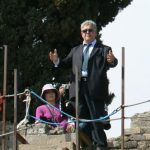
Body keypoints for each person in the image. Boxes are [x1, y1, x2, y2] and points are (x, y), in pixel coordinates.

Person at [49, 20, 118, 149]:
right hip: (78, 89)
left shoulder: (104, 49)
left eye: (90, 30)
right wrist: (56, 60)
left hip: (95, 88)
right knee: (80, 119)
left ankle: (101, 146)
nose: (87, 32)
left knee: (96, 119)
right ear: (81, 33)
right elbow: (64, 63)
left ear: (95, 33)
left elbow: (112, 62)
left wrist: (112, 60)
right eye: (85, 30)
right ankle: (87, 145)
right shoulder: (75, 50)